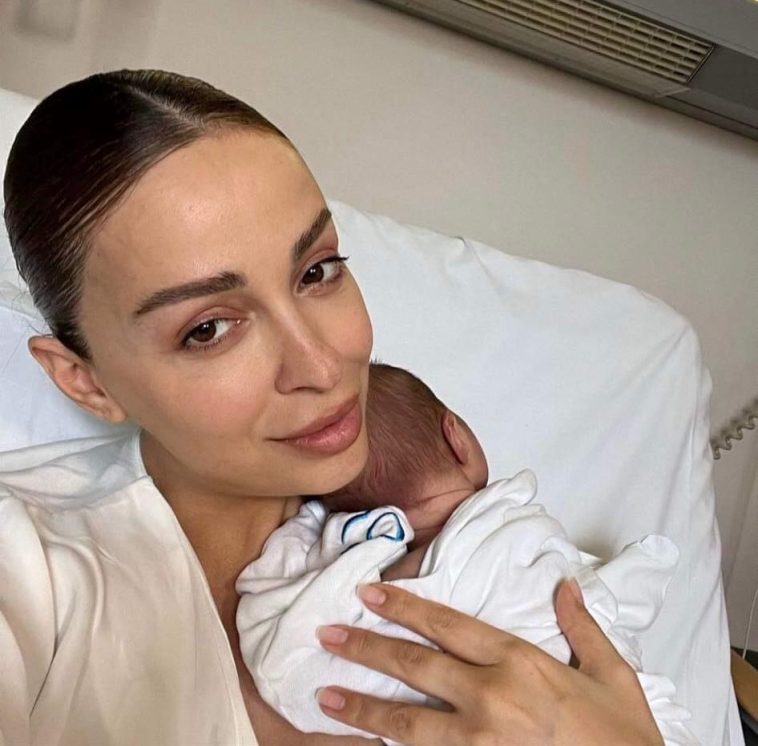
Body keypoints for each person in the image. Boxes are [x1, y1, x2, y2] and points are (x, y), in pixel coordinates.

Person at [0, 69, 666, 746]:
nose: (322, 367)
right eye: (208, 329)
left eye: (316, 272)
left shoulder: (464, 538)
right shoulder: (24, 569)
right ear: (87, 382)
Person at [236, 362, 697, 744]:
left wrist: (306, 535)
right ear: (459, 439)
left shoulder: (380, 588)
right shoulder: (520, 525)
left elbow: (290, 673)